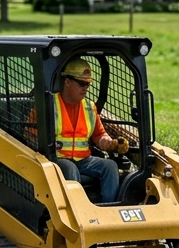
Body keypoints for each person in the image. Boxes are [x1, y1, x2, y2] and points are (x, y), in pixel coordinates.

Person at [43, 58, 129, 203]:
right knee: (70, 168)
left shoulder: (89, 108)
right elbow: (30, 136)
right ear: (67, 82)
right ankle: (77, 210)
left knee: (110, 166)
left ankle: (109, 207)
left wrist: (110, 143)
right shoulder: (48, 105)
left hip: (84, 160)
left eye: (88, 84)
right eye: (82, 83)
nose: (85, 88)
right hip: (56, 160)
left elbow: (99, 135)